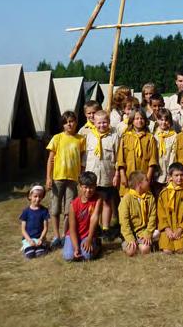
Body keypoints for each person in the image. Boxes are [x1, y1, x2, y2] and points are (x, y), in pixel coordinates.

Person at [46, 110, 85, 248]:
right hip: (58, 178)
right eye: (66, 122)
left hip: (73, 179)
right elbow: (50, 159)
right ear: (63, 125)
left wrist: (82, 178)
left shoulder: (80, 139)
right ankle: (56, 235)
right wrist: (48, 178)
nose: (69, 124)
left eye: (72, 121)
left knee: (69, 210)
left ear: (75, 123)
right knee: (55, 209)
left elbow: (82, 160)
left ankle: (64, 234)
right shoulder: (57, 138)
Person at [83, 109, 120, 239]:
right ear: (94, 122)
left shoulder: (114, 136)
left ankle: (105, 228)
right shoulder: (89, 136)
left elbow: (118, 157)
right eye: (99, 123)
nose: (101, 125)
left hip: (107, 175)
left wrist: (116, 175)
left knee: (106, 202)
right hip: (91, 175)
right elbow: (85, 156)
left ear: (109, 122)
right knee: (92, 203)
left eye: (104, 122)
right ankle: (93, 227)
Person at [117, 107, 158, 195]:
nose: (139, 121)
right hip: (128, 176)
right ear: (132, 120)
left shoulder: (150, 138)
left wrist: (148, 178)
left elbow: (152, 160)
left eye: (142, 118)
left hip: (143, 177)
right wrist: (122, 176)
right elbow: (120, 160)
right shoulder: (125, 137)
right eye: (136, 118)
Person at [62, 171, 102, 261]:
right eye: (85, 187)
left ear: (95, 186)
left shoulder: (98, 199)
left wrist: (89, 238)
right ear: (80, 187)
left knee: (87, 256)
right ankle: (75, 246)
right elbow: (72, 228)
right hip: (74, 234)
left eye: (91, 187)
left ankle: (97, 245)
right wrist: (76, 248)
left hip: (88, 235)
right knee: (68, 256)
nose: (88, 190)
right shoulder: (73, 204)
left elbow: (94, 219)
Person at [118, 170, 159, 256]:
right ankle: (128, 243)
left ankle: (147, 243)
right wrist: (129, 238)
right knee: (131, 251)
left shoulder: (150, 197)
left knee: (145, 249)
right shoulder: (126, 199)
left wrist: (148, 234)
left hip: (144, 231)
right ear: (139, 184)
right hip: (130, 232)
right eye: (146, 180)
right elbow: (124, 222)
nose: (149, 182)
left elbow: (152, 217)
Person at [157, 162, 183, 254]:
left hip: (181, 229)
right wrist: (167, 229)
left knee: (180, 250)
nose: (179, 178)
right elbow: (161, 214)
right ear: (170, 176)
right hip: (168, 229)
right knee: (167, 251)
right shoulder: (164, 193)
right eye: (176, 175)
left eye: (181, 175)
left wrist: (180, 229)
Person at [19, 183, 50, 258]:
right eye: (35, 196)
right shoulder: (26, 211)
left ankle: (45, 246)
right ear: (30, 196)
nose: (37, 199)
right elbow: (23, 229)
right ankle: (25, 247)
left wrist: (41, 239)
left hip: (39, 239)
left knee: (39, 254)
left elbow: (45, 228)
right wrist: (29, 240)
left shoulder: (44, 211)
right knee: (30, 255)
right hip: (28, 239)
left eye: (40, 196)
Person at [153, 107, 177, 197]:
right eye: (161, 119)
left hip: (167, 171)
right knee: (156, 195)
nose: (163, 122)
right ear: (157, 120)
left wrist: (169, 173)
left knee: (166, 195)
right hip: (156, 171)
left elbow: (173, 155)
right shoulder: (154, 134)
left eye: (166, 120)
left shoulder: (174, 135)